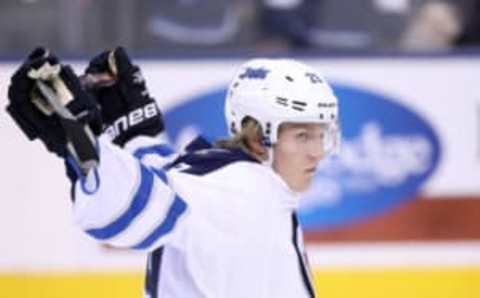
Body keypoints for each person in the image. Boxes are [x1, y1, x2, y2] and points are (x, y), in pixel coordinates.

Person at [6, 47, 340, 298]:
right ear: (256, 134)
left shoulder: (227, 178)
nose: (318, 151)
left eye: (321, 134)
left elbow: (168, 179)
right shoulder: (246, 193)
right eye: (302, 135)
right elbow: (125, 207)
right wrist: (81, 144)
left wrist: (135, 137)